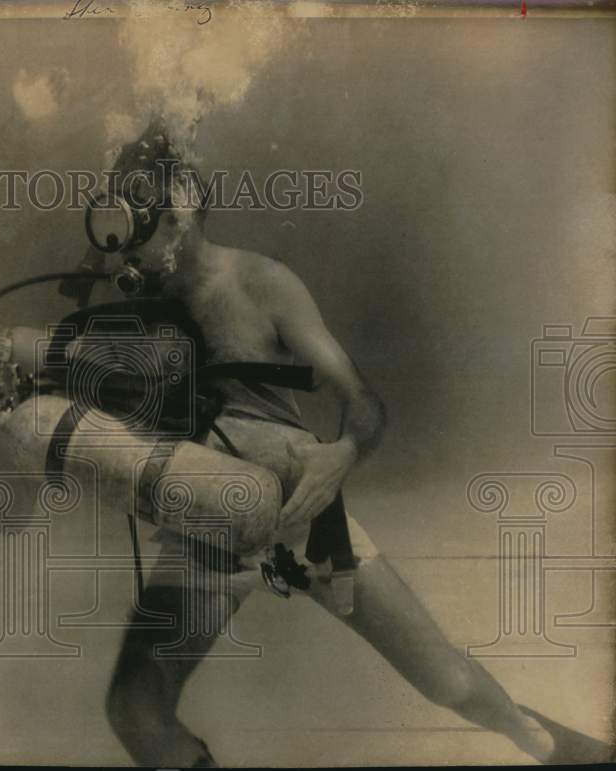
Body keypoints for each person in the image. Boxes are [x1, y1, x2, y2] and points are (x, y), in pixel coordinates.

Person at [86, 122, 609, 767]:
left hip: (300, 515)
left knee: (448, 680)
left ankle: (552, 746)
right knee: (134, 707)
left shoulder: (261, 283)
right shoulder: (128, 300)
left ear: (181, 214)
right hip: (206, 522)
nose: (125, 249)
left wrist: (341, 455)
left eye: (142, 220)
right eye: (117, 219)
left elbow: (363, 406)